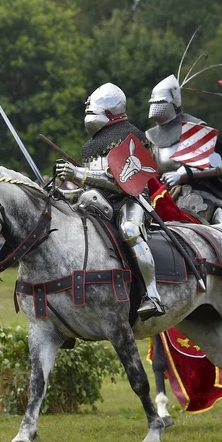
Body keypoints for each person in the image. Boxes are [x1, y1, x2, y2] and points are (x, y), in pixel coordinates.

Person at [54, 82, 165, 320]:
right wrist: (64, 195)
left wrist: (76, 174)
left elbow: (121, 182)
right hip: (101, 202)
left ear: (108, 111)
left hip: (131, 200)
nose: (88, 115)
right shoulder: (90, 146)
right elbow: (92, 186)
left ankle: (152, 296)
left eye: (91, 110)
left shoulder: (131, 136)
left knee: (129, 230)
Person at [145, 73, 222, 224]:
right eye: (153, 102)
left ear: (173, 102)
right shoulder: (151, 138)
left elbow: (219, 165)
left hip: (201, 197)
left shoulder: (195, 128)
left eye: (160, 102)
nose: (155, 107)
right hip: (165, 199)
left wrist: (183, 174)